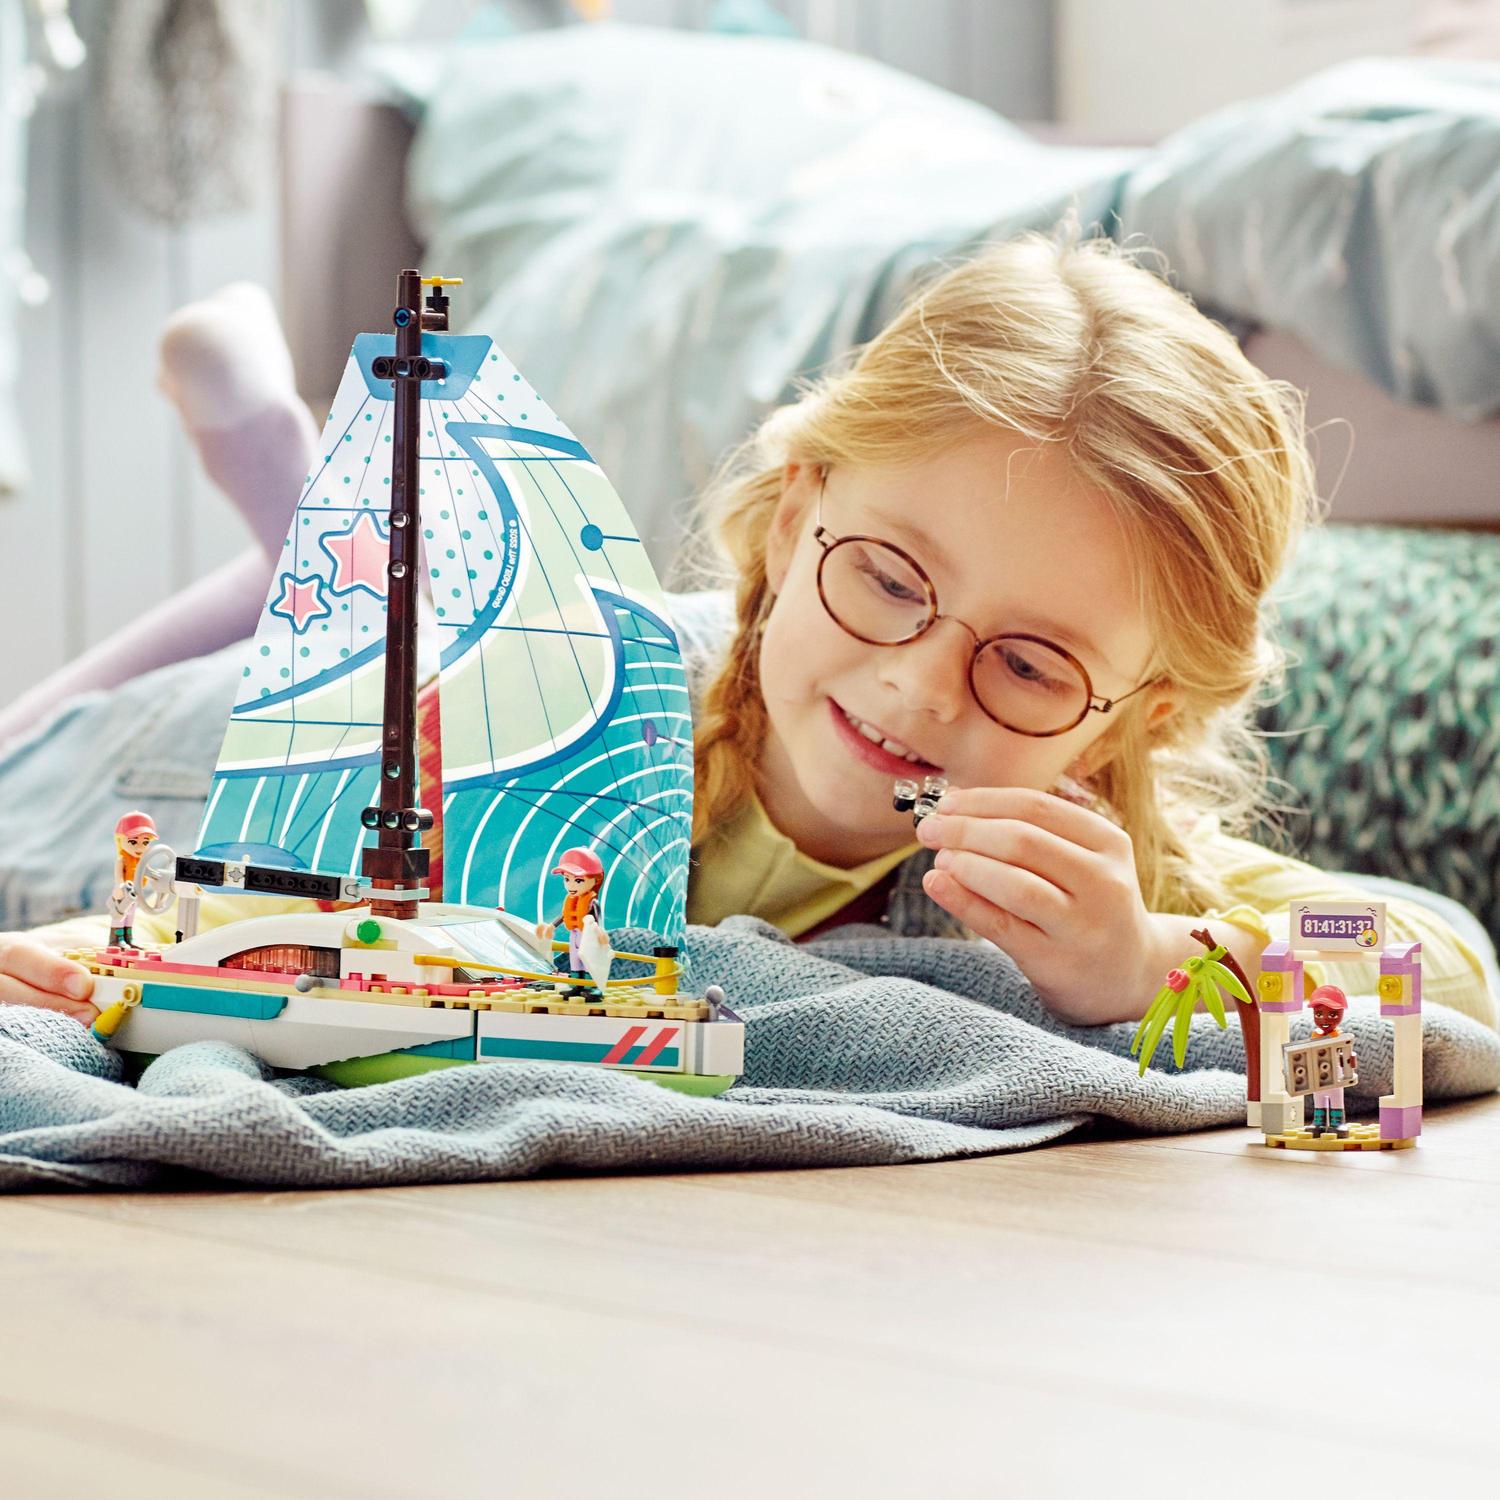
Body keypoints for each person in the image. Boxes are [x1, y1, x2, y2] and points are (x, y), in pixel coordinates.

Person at [2, 227, 1496, 1035]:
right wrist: (124, 945)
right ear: (794, 520)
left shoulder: (1087, 867)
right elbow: (278, 900)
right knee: (385, 625)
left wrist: (1151, 959)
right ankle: (278, 469)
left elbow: (1448, 969)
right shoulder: (571, 698)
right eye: (888, 579)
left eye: (1032, 665)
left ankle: (276, 473)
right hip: (130, 777)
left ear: (1135, 717)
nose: (919, 682)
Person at [535, 848, 607, 996]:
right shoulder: (572, 900)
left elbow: (598, 919)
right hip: (574, 935)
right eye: (567, 879)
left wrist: (600, 933)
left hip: (588, 936)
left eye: (578, 880)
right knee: (575, 960)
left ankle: (593, 987)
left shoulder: (592, 902)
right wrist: (551, 926)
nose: (571, 885)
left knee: (589, 960)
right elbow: (564, 916)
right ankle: (577, 986)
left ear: (596, 879)